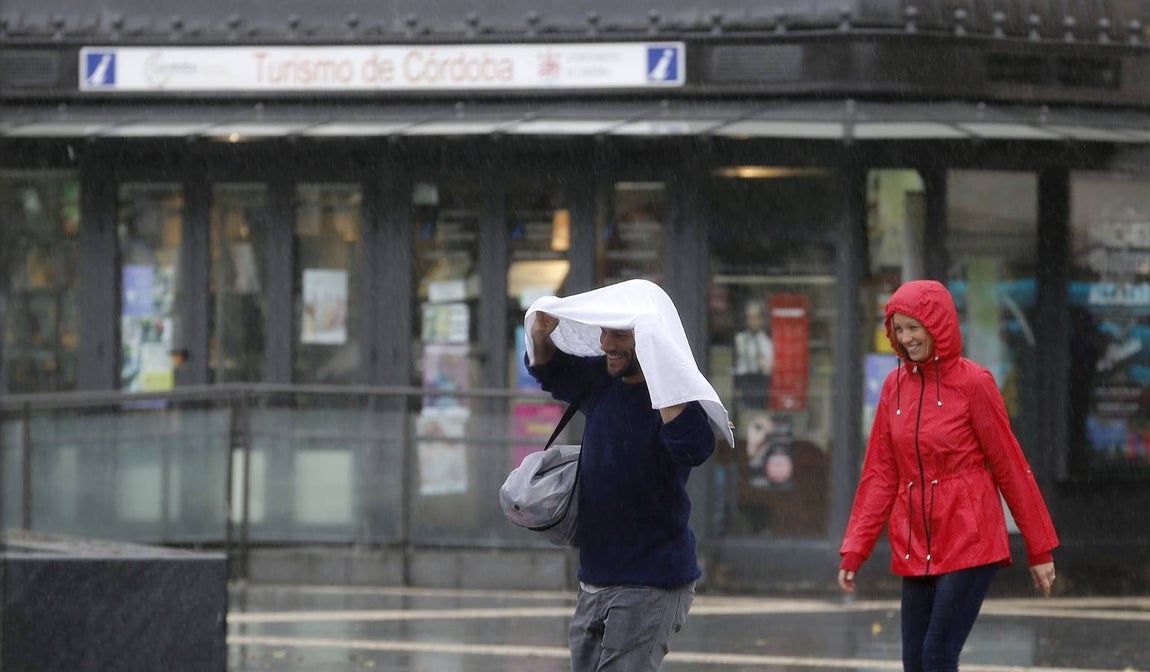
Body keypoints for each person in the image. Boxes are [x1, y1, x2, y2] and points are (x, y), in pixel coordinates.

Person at [838, 279, 1059, 672]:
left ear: (937, 326)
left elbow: (1011, 466)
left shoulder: (975, 383)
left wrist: (1038, 548)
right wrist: (856, 548)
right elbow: (880, 474)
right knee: (915, 663)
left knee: (937, 656)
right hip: (915, 541)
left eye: (914, 328)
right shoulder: (894, 387)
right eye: (898, 329)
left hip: (969, 540)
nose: (905, 338)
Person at [523, 279, 733, 672]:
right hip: (596, 577)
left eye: (619, 334)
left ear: (649, 338)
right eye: (604, 332)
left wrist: (663, 372)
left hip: (650, 582)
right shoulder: (602, 381)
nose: (606, 344)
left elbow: (695, 447)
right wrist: (539, 332)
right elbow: (551, 370)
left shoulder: (674, 402)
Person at [732, 298, 774, 410]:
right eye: (749, 317)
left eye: (756, 317)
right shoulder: (740, 339)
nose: (753, 322)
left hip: (761, 384)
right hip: (744, 382)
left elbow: (769, 366)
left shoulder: (767, 342)